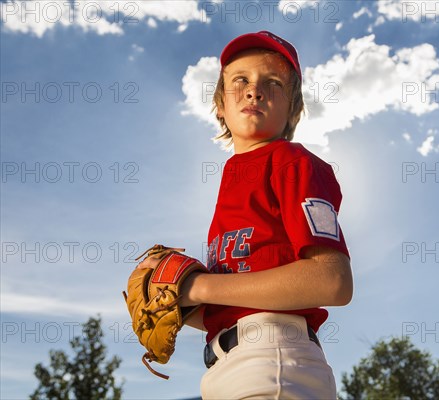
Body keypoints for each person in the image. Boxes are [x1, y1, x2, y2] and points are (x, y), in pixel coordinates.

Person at [142, 31, 353, 399]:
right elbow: (238, 304)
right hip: (232, 365)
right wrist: (177, 303)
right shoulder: (234, 177)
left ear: (293, 109)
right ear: (220, 105)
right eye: (240, 81)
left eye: (273, 83)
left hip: (273, 360)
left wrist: (199, 287)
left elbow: (331, 280)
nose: (254, 91)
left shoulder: (292, 162)